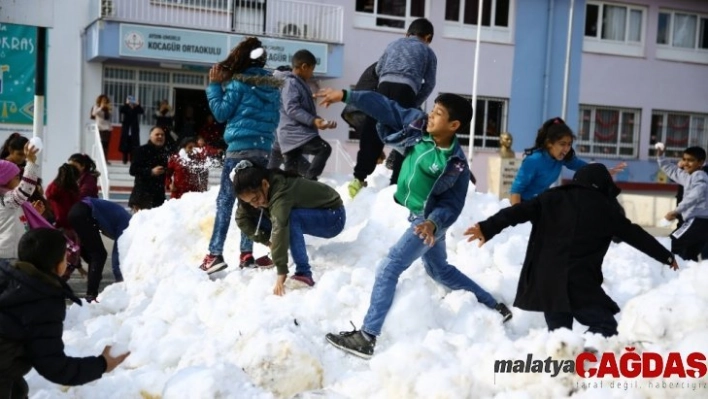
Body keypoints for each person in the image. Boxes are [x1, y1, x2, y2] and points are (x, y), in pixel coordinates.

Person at [317, 88, 511, 359]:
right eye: (433, 110)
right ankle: (494, 307)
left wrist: (432, 224)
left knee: (389, 267)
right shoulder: (419, 127)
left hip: (427, 222)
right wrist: (347, 95)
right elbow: (387, 107)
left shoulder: (454, 164)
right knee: (439, 270)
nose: (431, 116)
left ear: (454, 125)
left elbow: (452, 205)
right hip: (421, 218)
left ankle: (367, 336)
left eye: (438, 114)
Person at [464, 163, 679, 337]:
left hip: (547, 281)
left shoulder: (551, 197)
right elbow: (635, 235)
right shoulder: (607, 209)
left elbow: (516, 212)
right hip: (579, 282)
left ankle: (564, 374)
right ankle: (581, 362)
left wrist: (487, 227)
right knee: (605, 327)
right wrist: (665, 256)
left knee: (559, 337)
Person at [0, 228, 129, 398]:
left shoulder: (6, 274)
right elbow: (55, 366)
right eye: (65, 256)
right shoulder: (42, 301)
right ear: (58, 264)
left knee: (18, 389)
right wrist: (103, 364)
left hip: (6, 368)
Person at [199, 36, 281, 273]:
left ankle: (214, 254)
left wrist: (215, 86)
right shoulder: (273, 87)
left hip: (239, 150)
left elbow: (221, 113)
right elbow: (274, 118)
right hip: (262, 150)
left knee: (226, 200)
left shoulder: (239, 83)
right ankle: (246, 255)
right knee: (253, 201)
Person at [348, 18, 438, 197]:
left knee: (372, 132)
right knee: (407, 136)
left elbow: (379, 69)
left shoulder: (393, 44)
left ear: (407, 33)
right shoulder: (428, 52)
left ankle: (358, 179)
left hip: (383, 87)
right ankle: (396, 183)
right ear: (428, 37)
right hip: (406, 91)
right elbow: (429, 84)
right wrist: (413, 104)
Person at [233, 161, 346, 295]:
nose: (255, 204)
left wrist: (282, 271)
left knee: (290, 218)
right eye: (250, 202)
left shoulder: (281, 191)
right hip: (311, 213)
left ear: (265, 184)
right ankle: (280, 250)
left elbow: (280, 225)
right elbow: (241, 218)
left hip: (332, 216)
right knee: (258, 215)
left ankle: (304, 273)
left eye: (256, 198)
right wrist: (267, 242)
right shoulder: (260, 192)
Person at [509, 117, 626, 205]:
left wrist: (604, 171)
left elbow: (583, 167)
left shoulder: (561, 159)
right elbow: (516, 190)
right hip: (523, 204)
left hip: (539, 203)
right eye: (562, 144)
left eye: (569, 144)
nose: (566, 149)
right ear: (549, 143)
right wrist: (517, 218)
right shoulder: (534, 161)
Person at [277, 50, 336, 181]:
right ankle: (310, 182)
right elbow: (292, 108)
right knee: (324, 149)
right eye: (312, 69)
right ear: (304, 67)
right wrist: (313, 121)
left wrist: (319, 121)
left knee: (291, 178)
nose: (312, 74)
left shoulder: (299, 84)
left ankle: (301, 189)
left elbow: (303, 110)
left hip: (290, 137)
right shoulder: (291, 83)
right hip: (295, 134)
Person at [68, 198, 131, 301]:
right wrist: (120, 279)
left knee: (94, 254)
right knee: (99, 255)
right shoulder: (127, 225)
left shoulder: (123, 218)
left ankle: (93, 280)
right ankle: (91, 294)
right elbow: (117, 253)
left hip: (77, 210)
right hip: (85, 212)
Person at [657, 146, 708, 261]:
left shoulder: (700, 177)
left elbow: (695, 196)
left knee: (675, 241)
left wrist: (676, 211)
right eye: (684, 159)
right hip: (698, 222)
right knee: (689, 253)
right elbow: (672, 170)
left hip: (698, 220)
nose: (685, 163)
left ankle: (674, 270)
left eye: (690, 160)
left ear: (701, 163)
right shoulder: (688, 176)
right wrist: (661, 156)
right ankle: (687, 274)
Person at [0, 144, 39, 261]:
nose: (20, 180)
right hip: (7, 255)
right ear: (4, 179)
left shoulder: (8, 200)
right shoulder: (5, 200)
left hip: (12, 253)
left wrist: (34, 213)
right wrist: (31, 163)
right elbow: (26, 188)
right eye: (17, 177)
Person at [128, 126, 169, 211]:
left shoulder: (165, 153)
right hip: (142, 195)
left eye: (162, 135)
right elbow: (133, 170)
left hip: (159, 196)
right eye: (157, 134)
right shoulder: (141, 150)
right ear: (150, 136)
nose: (160, 137)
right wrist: (151, 172)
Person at [119, 95, 145, 164]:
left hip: (134, 129)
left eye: (132, 101)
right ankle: (124, 160)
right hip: (126, 129)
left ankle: (132, 160)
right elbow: (121, 110)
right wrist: (126, 104)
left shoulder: (136, 108)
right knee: (125, 144)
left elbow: (141, 111)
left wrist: (138, 105)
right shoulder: (126, 107)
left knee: (133, 145)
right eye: (130, 100)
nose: (131, 102)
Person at [91, 94, 113, 162]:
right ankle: (100, 159)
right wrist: (100, 107)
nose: (104, 101)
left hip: (107, 128)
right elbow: (94, 114)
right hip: (100, 128)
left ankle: (105, 159)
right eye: (103, 100)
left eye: (105, 100)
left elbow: (110, 116)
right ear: (100, 100)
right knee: (101, 144)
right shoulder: (96, 106)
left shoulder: (107, 107)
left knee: (106, 145)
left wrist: (107, 108)